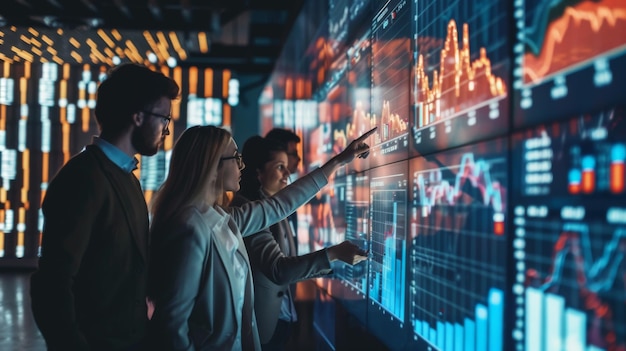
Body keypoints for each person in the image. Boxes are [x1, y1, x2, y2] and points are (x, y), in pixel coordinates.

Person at [146, 125, 376, 351]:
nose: (241, 165)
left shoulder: (222, 217)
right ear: (213, 166)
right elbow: (172, 323)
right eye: (235, 158)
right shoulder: (189, 228)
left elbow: (279, 206)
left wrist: (338, 162)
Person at [29, 63, 180, 350]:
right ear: (137, 116)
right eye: (164, 119)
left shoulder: (125, 177)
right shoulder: (84, 178)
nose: (167, 130)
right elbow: (52, 283)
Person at [230, 136, 368, 351]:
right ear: (258, 172)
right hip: (265, 329)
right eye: (280, 167)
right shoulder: (250, 210)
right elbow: (279, 270)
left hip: (281, 322)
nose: (288, 173)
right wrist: (333, 254)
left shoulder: (267, 207)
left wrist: (336, 265)